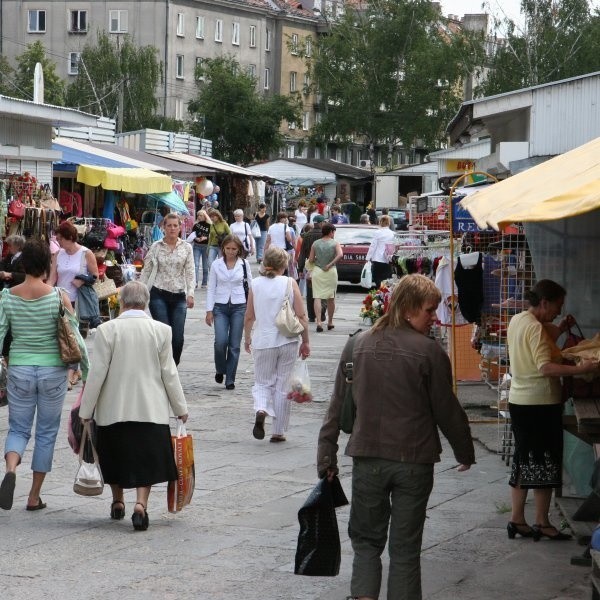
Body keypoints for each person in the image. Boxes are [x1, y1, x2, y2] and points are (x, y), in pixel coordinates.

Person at [317, 274, 475, 600]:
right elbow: (446, 408)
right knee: (405, 548)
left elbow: (336, 407)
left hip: (368, 457)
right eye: (430, 310)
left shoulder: (356, 344)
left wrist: (326, 457)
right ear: (408, 309)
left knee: (365, 543)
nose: (435, 318)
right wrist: (464, 451)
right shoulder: (429, 352)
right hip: (414, 461)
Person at [79, 281, 188, 531]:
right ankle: (141, 505)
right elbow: (169, 373)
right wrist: (180, 407)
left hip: (113, 408)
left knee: (115, 456)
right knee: (146, 460)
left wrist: (86, 411)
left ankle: (118, 501)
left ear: (123, 302)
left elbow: (97, 374)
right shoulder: (161, 330)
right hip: (150, 409)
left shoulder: (108, 330)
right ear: (146, 302)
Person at [506, 279, 599, 541]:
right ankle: (542, 522)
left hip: (520, 402)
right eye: (557, 305)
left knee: (524, 461)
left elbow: (541, 346)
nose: (559, 310)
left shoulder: (519, 320)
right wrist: (582, 370)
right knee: (545, 463)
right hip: (539, 404)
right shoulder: (535, 328)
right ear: (544, 302)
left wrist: (560, 329)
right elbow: (545, 366)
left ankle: (516, 519)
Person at [0, 240, 77, 511]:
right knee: (45, 432)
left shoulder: (8, 296)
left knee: (18, 428)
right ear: (47, 266)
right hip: (52, 371)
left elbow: (0, 334)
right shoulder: (59, 296)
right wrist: (84, 370)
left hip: (19, 368)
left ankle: (10, 469)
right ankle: (33, 496)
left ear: (22, 265)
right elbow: (74, 336)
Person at [243, 247, 309, 443]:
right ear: (285, 264)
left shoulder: (255, 284)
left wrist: (247, 338)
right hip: (287, 340)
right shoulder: (290, 283)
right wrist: (306, 341)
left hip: (263, 340)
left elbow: (249, 316)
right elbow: (302, 315)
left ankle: (261, 408)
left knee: (262, 382)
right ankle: (278, 431)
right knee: (282, 384)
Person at [48, 220, 100, 387]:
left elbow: (95, 276)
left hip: (77, 300)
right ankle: (75, 370)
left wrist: (82, 280)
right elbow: (52, 278)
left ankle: (72, 373)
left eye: (61, 239)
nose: (59, 242)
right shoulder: (58, 254)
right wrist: (45, 293)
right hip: (60, 299)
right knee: (65, 336)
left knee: (73, 336)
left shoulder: (86, 253)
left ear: (70, 237)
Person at [139, 212, 195, 366]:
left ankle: (172, 368)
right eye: (169, 225)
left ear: (180, 227)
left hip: (178, 296)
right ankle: (161, 368)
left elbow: (190, 272)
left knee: (177, 338)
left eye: (175, 225)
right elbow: (146, 271)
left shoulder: (186, 248)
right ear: (163, 227)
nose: (172, 228)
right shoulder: (156, 247)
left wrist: (191, 293)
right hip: (158, 294)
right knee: (163, 334)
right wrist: (140, 294)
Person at [205, 235, 252, 391]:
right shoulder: (216, 264)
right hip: (220, 306)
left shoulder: (244, 264)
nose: (231, 252)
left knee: (234, 345)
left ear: (238, 249)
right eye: (228, 248)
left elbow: (251, 287)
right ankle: (220, 368)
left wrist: (251, 309)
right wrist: (209, 310)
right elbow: (211, 287)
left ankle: (230, 378)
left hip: (239, 306)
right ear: (223, 248)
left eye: (234, 249)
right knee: (220, 342)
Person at [308, 223, 343, 332]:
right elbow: (340, 255)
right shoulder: (335, 243)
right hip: (330, 271)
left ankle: (318, 322)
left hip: (318, 271)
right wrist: (330, 264)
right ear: (331, 232)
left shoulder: (315, 243)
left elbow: (311, 259)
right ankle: (330, 322)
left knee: (317, 296)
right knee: (331, 297)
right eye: (334, 232)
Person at [297, 215, 326, 323]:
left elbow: (302, 254)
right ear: (322, 223)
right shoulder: (325, 235)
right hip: (323, 266)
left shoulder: (307, 235)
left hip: (310, 267)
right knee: (322, 291)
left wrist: (300, 269)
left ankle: (311, 315)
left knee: (310, 292)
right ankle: (321, 312)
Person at [365, 214, 395, 288]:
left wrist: (368, 258)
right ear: (389, 223)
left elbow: (373, 246)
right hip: (388, 258)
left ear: (380, 222)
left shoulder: (377, 233)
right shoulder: (393, 234)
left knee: (376, 276)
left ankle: (381, 290)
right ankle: (384, 291)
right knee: (386, 277)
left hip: (378, 258)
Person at [190, 209, 211, 288]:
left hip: (206, 246)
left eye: (201, 215)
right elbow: (193, 235)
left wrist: (205, 238)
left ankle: (204, 283)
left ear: (205, 216)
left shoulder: (209, 225)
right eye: (198, 215)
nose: (199, 217)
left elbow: (211, 236)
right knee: (196, 265)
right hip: (197, 246)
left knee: (205, 266)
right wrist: (196, 239)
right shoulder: (196, 225)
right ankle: (195, 282)